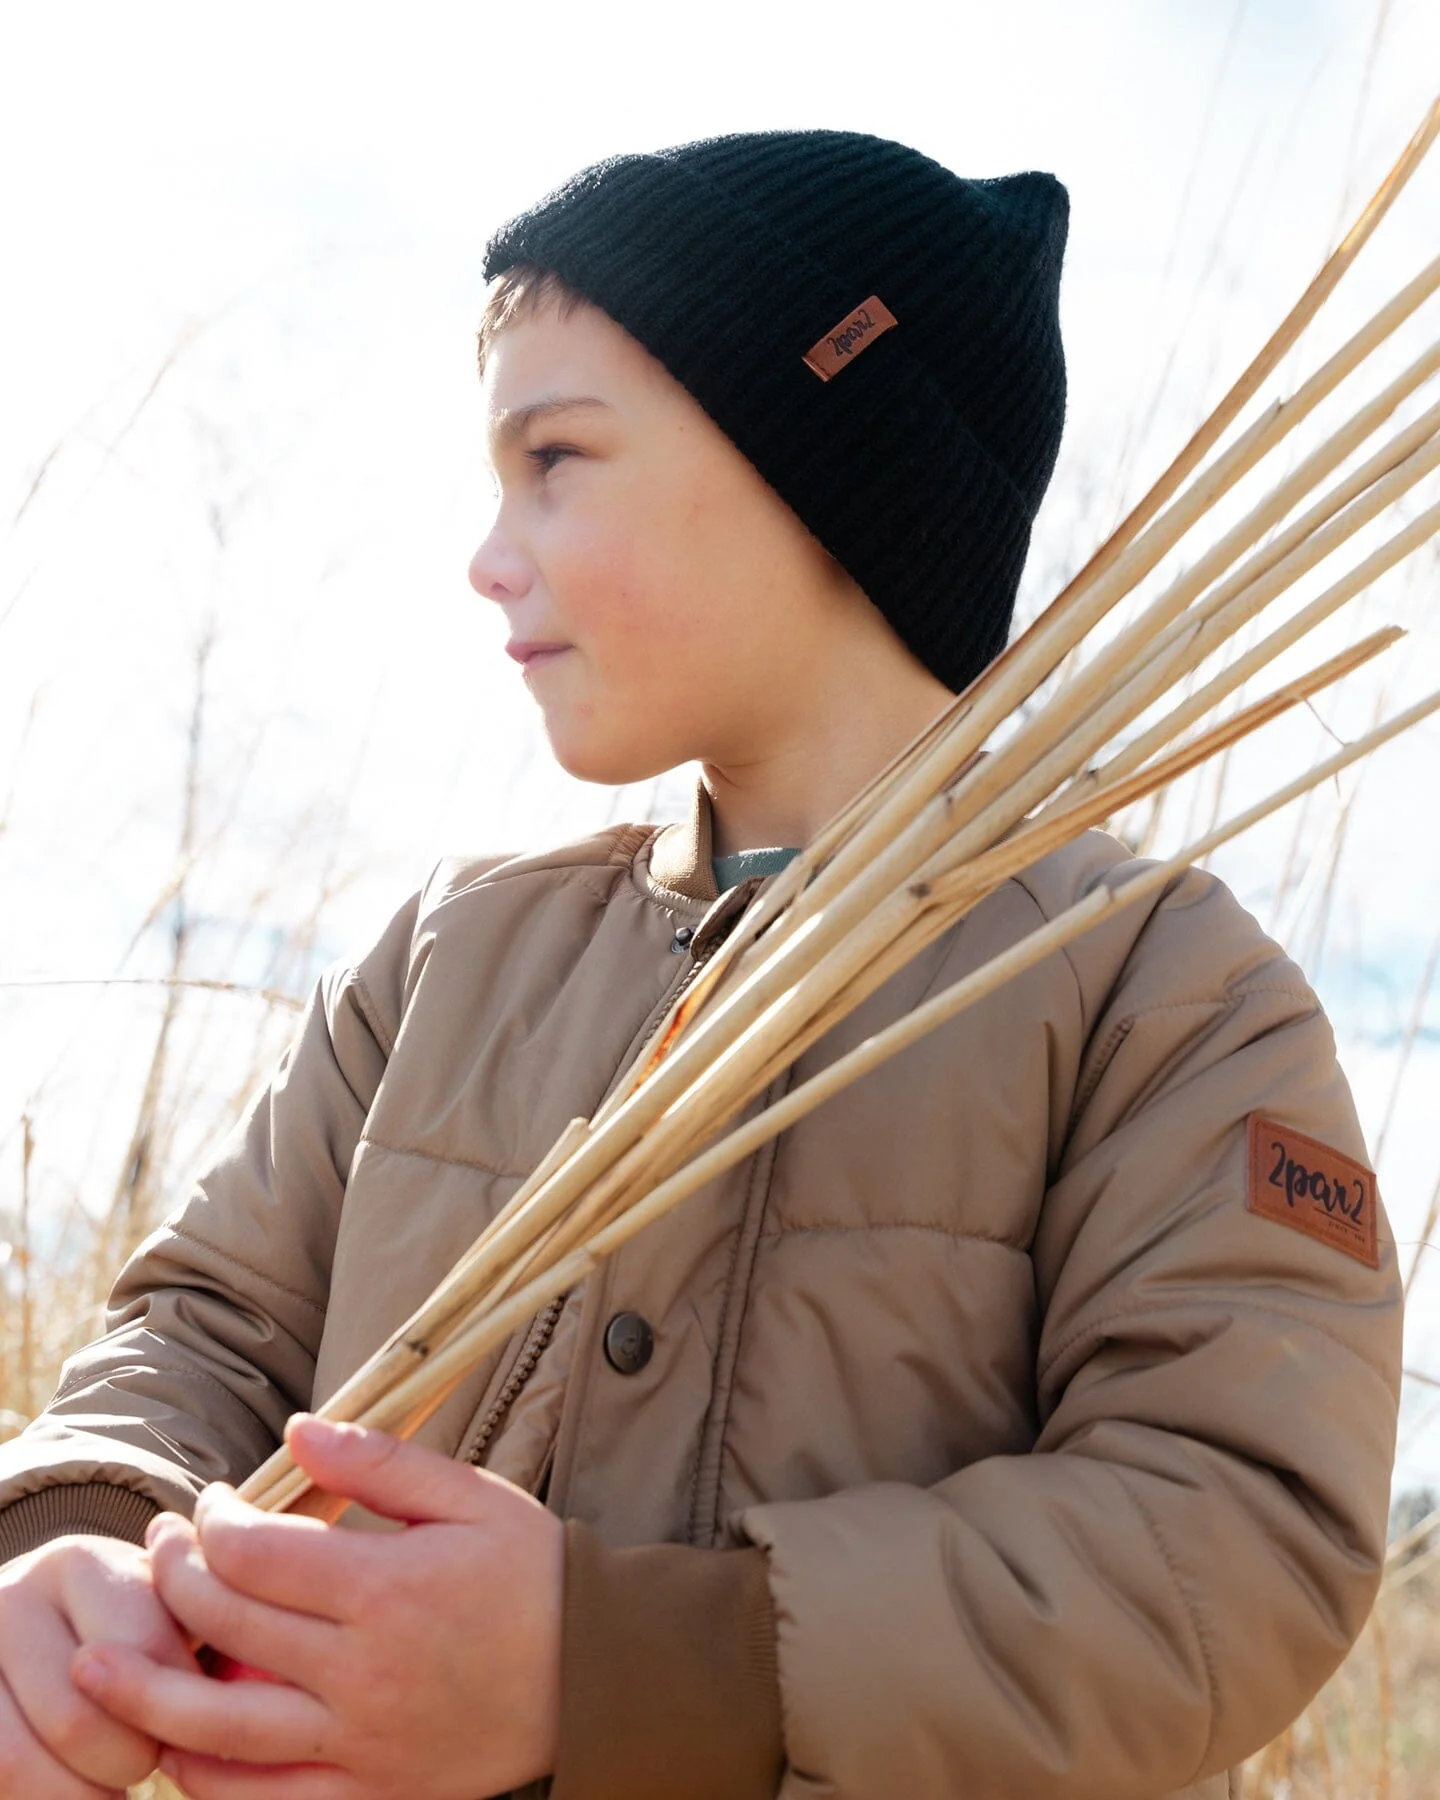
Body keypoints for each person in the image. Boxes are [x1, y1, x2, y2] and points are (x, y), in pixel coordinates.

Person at [0, 129, 1402, 1800]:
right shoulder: (461, 949)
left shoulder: (1157, 992)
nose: (488, 551)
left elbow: (1228, 1542)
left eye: (557, 460)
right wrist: (84, 1528)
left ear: (815, 464)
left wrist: (623, 1669)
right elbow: (210, 1325)